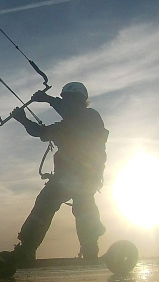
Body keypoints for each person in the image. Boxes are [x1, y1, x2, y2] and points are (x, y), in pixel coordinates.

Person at [9, 82, 109, 261]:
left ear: (80, 101)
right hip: (71, 178)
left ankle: (90, 250)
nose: (66, 103)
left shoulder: (90, 117)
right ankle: (27, 249)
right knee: (49, 205)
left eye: (69, 99)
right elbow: (41, 132)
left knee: (81, 209)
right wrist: (22, 119)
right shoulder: (65, 126)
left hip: (83, 176)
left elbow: (73, 113)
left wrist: (47, 99)